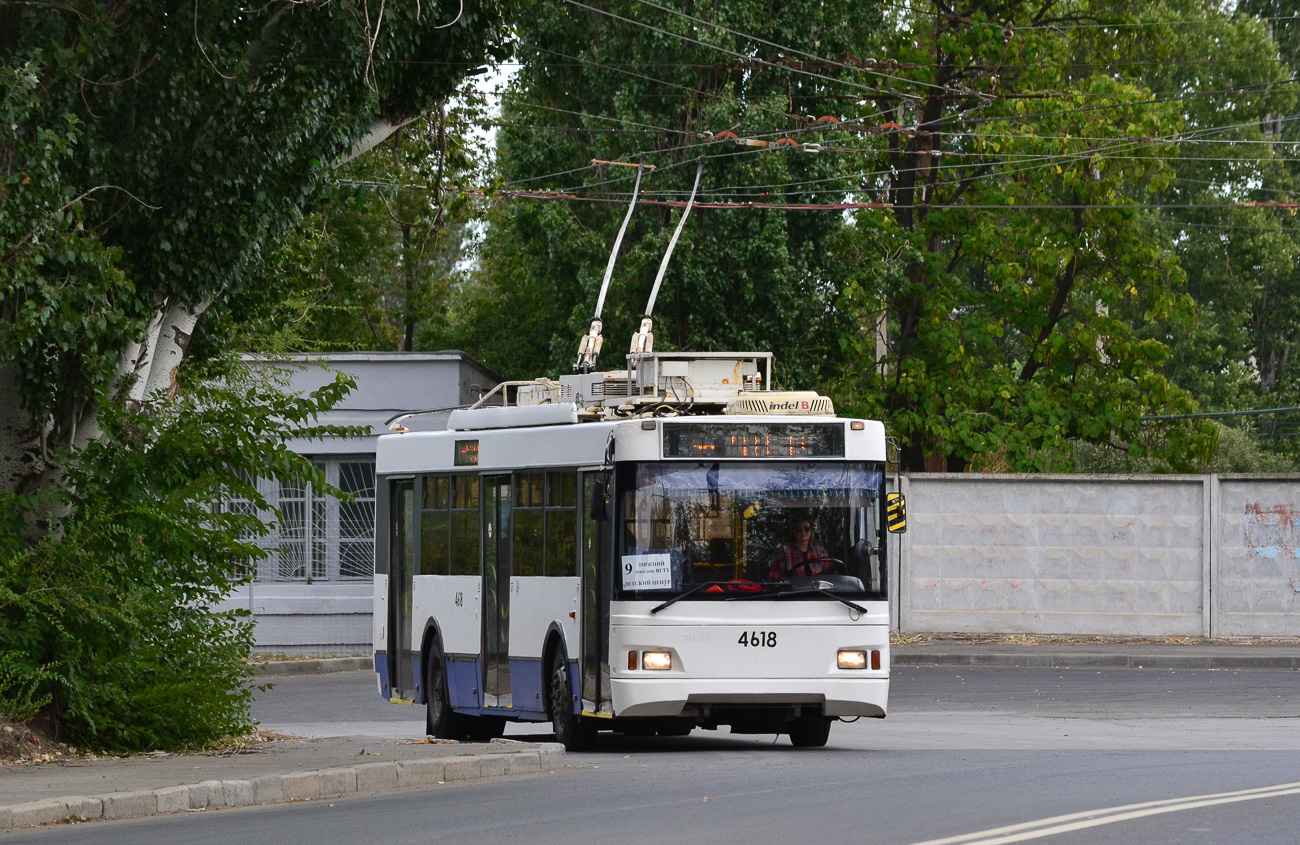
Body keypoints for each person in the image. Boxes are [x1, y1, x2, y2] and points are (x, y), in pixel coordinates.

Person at [767, 516, 833, 580]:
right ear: (793, 532)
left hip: (819, 590)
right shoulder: (785, 551)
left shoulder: (819, 551)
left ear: (811, 531)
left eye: (806, 529)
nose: (803, 532)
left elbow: (830, 574)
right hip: (795, 591)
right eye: (799, 529)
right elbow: (773, 576)